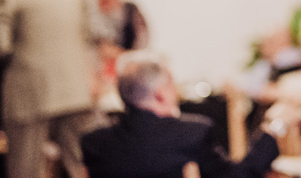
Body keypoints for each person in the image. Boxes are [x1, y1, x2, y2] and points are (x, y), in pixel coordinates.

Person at [80, 50, 286, 178]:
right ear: (160, 94)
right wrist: (273, 128)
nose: (176, 92)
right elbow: (238, 175)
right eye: (172, 84)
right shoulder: (191, 135)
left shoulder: (94, 144)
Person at [0, 0, 100, 178]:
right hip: (75, 91)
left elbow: (2, 45)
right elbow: (89, 36)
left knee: (25, 170)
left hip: (29, 95)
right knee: (77, 166)